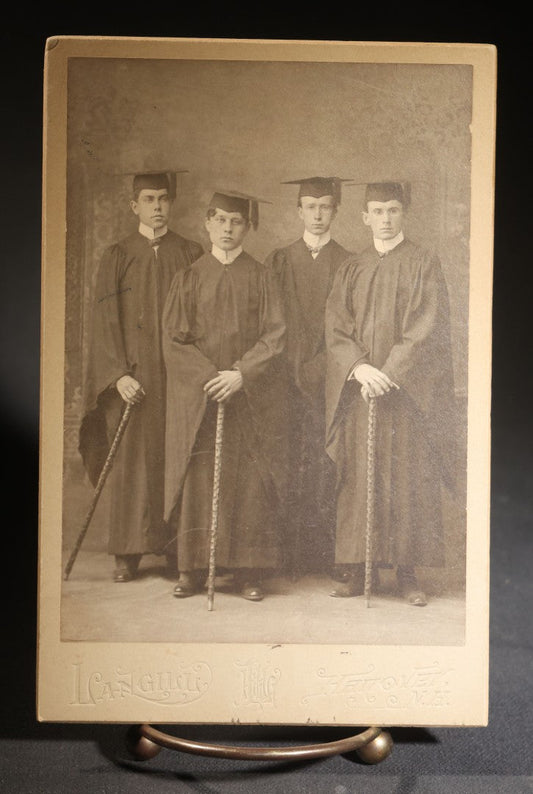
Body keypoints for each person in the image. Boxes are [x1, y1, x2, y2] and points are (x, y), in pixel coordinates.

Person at [324, 181, 456, 606]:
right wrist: (360, 369)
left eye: (393, 211)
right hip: (361, 390)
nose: (385, 219)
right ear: (364, 216)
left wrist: (389, 373)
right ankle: (356, 566)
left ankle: (407, 572)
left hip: (404, 396)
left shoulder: (423, 262)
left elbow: (425, 329)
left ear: (404, 215)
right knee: (357, 476)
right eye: (377, 211)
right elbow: (336, 326)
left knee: (406, 479)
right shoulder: (351, 267)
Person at [162, 190, 288, 602]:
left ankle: (249, 571)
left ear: (247, 227)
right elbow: (174, 339)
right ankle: (193, 568)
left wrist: (239, 374)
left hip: (247, 398)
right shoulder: (190, 275)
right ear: (207, 224)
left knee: (249, 483)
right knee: (199, 478)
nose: (228, 229)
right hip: (201, 397)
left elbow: (275, 336)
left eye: (236, 222)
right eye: (220, 221)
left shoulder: (261, 275)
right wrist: (209, 378)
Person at [79, 170, 204, 582]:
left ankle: (175, 550)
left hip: (177, 378)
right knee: (133, 462)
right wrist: (117, 376)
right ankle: (127, 552)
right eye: (148, 199)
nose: (157, 207)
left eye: (163, 199)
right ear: (134, 205)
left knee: (176, 455)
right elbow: (103, 321)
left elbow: (201, 319)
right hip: (133, 380)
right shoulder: (118, 255)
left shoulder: (189, 252)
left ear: (172, 204)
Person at [265, 177, 351, 578]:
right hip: (284, 381)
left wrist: (317, 368)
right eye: (310, 207)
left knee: (327, 462)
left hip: (330, 383)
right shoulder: (280, 260)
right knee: (288, 460)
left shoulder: (350, 263)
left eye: (325, 207)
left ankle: (327, 555)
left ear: (335, 211)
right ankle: (286, 556)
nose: (318, 215)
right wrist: (295, 368)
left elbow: (349, 328)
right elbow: (270, 323)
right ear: (298, 211)